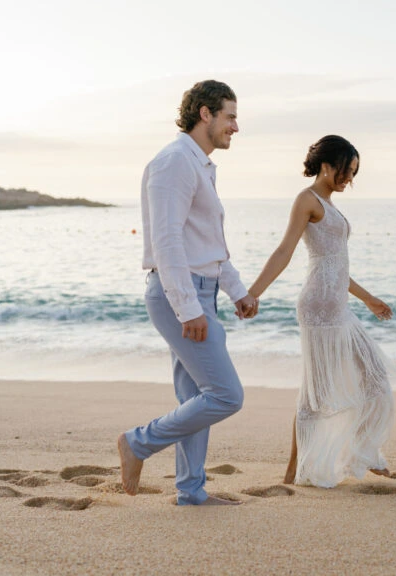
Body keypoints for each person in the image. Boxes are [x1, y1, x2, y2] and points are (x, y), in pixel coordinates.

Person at [117, 80, 258, 506]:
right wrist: (188, 308)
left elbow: (207, 244)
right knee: (225, 395)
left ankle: (191, 492)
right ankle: (137, 443)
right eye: (230, 116)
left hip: (201, 290)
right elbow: (167, 241)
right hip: (180, 294)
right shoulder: (175, 161)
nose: (236, 126)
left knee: (196, 398)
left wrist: (237, 291)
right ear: (205, 113)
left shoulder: (200, 165)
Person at [248, 135, 394, 488]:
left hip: (339, 307)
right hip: (317, 308)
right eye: (346, 170)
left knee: (375, 375)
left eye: (354, 172)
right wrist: (253, 293)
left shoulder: (331, 204)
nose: (349, 179)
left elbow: (337, 265)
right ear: (326, 166)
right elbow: (284, 251)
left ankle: (360, 450)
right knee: (315, 395)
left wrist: (367, 298)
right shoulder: (306, 200)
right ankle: (295, 470)